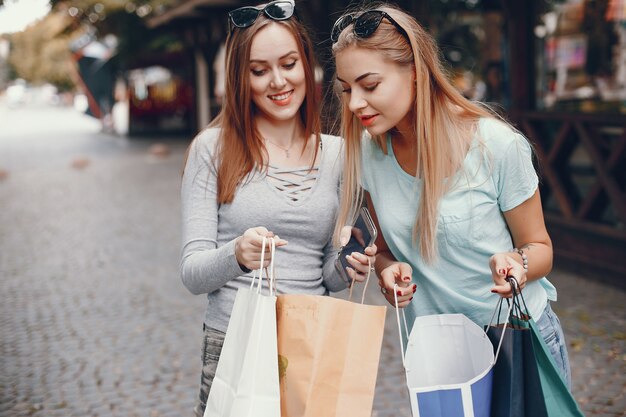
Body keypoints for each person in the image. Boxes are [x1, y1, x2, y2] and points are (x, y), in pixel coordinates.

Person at [330, 3, 571, 388]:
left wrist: (518, 265)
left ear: (414, 74)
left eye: (369, 85)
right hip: (437, 357)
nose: (355, 102)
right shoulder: (368, 152)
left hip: (515, 343)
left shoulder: (496, 145)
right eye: (346, 89)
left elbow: (539, 246)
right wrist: (386, 271)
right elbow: (388, 252)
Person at [180, 1, 389, 415]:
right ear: (241, 77)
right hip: (235, 341)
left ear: (306, 65)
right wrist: (237, 254)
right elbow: (192, 273)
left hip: (312, 338)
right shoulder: (212, 149)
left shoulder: (339, 155)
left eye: (289, 63)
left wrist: (350, 265)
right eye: (259, 70)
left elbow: (326, 274)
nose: (278, 81)